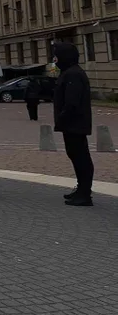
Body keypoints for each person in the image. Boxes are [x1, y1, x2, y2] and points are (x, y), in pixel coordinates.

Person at [53, 42, 94, 207]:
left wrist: (62, 117)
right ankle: (81, 189)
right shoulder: (69, 73)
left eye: (57, 55)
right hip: (73, 123)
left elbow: (72, 102)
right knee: (76, 155)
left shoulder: (73, 74)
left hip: (74, 123)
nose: (54, 59)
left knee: (80, 157)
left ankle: (85, 193)